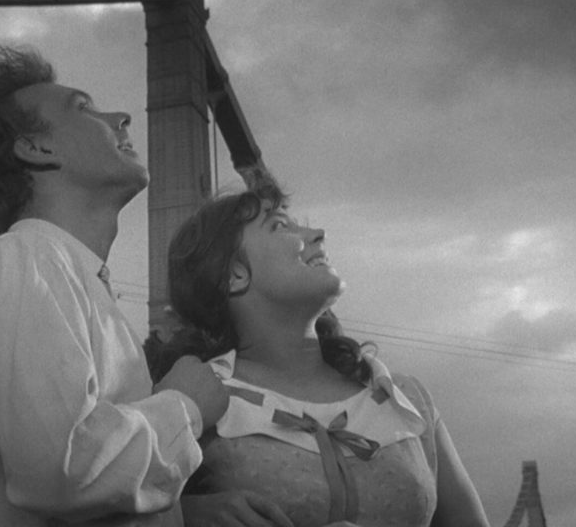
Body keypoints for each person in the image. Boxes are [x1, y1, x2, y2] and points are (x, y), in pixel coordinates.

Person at [0, 45, 229, 527]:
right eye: (83, 107)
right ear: (36, 148)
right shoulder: (25, 258)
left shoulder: (61, 274)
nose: (121, 115)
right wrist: (186, 407)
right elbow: (59, 470)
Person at [150, 179, 490, 527]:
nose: (318, 233)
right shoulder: (194, 400)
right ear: (234, 275)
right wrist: (181, 515)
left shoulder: (405, 401)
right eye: (280, 226)